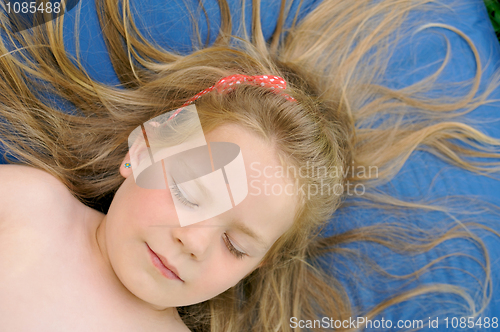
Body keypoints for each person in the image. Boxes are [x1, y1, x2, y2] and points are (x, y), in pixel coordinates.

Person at [0, 0, 499, 331]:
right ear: (144, 147)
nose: (193, 242)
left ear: (254, 268)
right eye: (191, 192)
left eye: (235, 246)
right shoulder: (30, 207)